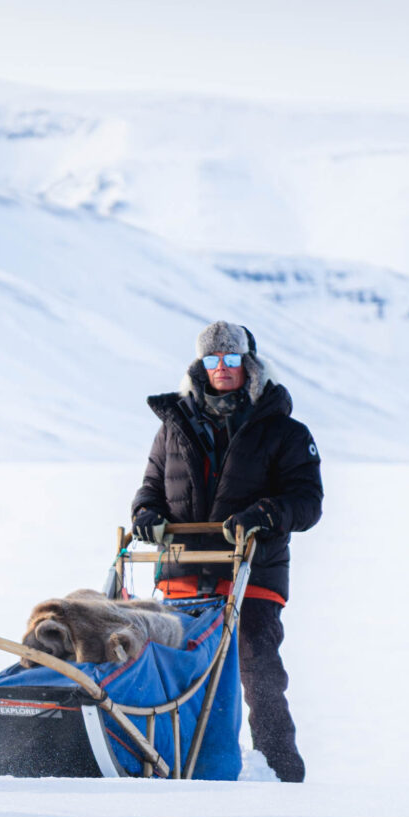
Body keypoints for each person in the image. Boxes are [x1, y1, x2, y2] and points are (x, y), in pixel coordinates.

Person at [129, 321, 323, 781]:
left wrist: (264, 514)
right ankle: (171, 762)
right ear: (201, 365)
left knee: (259, 675)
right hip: (184, 575)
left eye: (231, 358)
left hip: (251, 574)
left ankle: (282, 775)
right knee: (175, 676)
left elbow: (307, 501)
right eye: (213, 359)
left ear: (249, 364)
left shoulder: (284, 431)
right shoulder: (174, 427)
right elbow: (151, 487)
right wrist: (145, 514)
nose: (222, 368)